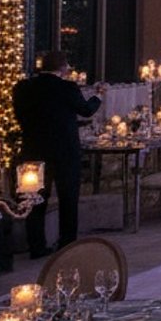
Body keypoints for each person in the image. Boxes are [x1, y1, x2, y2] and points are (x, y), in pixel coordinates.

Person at [13, 50, 105, 258]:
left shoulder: (23, 88)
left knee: (35, 199)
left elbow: (20, 116)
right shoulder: (67, 87)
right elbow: (86, 110)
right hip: (65, 151)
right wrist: (98, 96)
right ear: (63, 68)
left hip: (34, 149)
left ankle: (36, 246)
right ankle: (67, 244)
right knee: (68, 198)